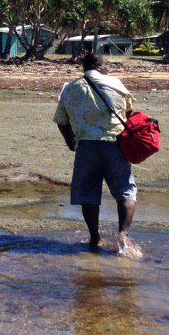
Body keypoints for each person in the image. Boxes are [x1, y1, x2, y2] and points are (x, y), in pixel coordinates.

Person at [54, 52, 140, 255]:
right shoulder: (115, 83)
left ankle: (95, 237)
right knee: (126, 191)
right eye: (106, 64)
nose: (108, 68)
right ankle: (123, 235)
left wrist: (71, 144)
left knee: (88, 194)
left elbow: (62, 121)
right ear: (98, 66)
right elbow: (129, 113)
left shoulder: (70, 88)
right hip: (115, 145)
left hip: (86, 147)